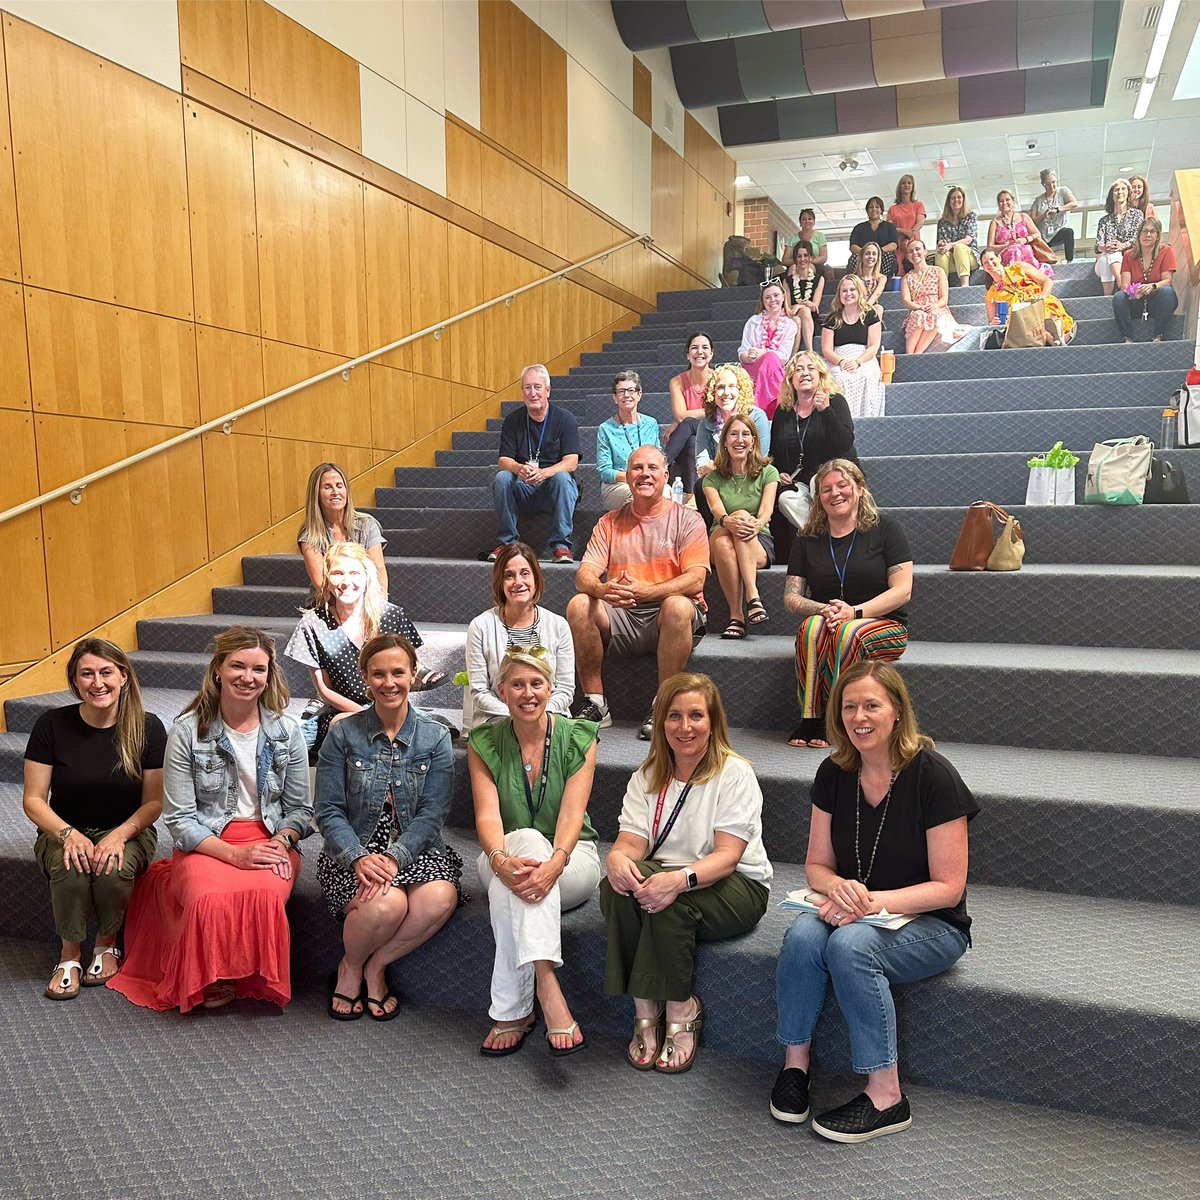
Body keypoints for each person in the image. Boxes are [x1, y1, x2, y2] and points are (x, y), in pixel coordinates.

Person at [771, 661, 978, 1142]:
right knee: (802, 936)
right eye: (848, 707)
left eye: (871, 705)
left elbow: (948, 887)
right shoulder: (834, 771)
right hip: (856, 912)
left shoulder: (934, 777)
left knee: (850, 947)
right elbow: (817, 867)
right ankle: (795, 1068)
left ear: (897, 711)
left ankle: (887, 1095)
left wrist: (866, 902)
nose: (859, 716)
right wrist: (838, 888)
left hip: (933, 924)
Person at [110, 627, 312, 1012]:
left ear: (269, 675)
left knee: (266, 897)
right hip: (207, 840)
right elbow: (180, 819)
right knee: (205, 898)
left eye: (258, 669)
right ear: (218, 669)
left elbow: (301, 810)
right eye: (237, 665)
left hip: (269, 838)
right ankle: (213, 974)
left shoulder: (287, 731)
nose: (247, 677)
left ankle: (244, 974)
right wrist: (235, 856)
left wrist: (281, 842)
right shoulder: (187, 731)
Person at [600, 672, 771, 1074]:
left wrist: (679, 880)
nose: (684, 726)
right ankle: (645, 1008)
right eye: (673, 716)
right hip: (667, 875)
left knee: (671, 904)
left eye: (696, 715)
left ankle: (680, 1006)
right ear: (660, 723)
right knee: (615, 889)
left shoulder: (735, 773)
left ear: (713, 723)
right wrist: (618, 861)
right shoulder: (647, 775)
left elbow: (728, 856)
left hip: (736, 884)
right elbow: (631, 844)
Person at [315, 633, 461, 1021]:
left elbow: (433, 814)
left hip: (415, 849)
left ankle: (373, 965)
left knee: (439, 899)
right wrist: (359, 857)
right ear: (365, 676)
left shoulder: (435, 735)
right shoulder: (342, 733)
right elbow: (327, 810)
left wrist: (395, 858)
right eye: (378, 674)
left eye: (398, 672)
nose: (389, 682)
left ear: (414, 674)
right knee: (388, 904)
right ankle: (350, 967)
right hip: (355, 849)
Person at [468, 647, 601, 1056]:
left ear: (550, 688)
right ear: (501, 691)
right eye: (517, 684)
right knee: (522, 839)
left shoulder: (579, 735)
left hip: (571, 858)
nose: (528, 693)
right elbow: (488, 820)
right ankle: (548, 984)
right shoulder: (483, 740)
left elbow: (571, 818)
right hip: (503, 858)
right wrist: (501, 860)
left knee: (525, 857)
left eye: (536, 684)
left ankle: (513, 1010)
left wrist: (554, 865)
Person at [22, 639, 165, 1000]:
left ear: (124, 677)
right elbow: (33, 800)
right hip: (63, 828)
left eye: (106, 672)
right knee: (70, 866)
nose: (97, 682)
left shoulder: (147, 727)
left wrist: (119, 835)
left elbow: (153, 803)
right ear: (75, 680)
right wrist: (67, 834)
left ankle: (106, 945)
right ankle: (69, 956)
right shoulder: (51, 725)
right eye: (87, 674)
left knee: (112, 867)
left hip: (129, 829)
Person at [566, 445, 709, 740]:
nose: (645, 474)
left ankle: (664, 704)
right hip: (622, 614)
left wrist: (647, 592)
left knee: (678, 606)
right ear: (627, 477)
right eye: (637, 468)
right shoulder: (608, 522)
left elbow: (695, 580)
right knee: (580, 604)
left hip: (668, 616)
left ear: (666, 476)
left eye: (652, 468)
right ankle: (595, 703)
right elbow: (584, 576)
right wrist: (603, 590)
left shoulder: (689, 520)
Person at [783, 460, 912, 748]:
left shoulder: (887, 529)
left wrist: (854, 612)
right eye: (826, 489)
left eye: (843, 485)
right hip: (830, 620)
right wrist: (822, 609)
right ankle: (809, 717)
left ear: (860, 489)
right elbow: (791, 597)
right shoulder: (807, 538)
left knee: (847, 632)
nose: (835, 493)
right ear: (819, 498)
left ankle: (836, 718)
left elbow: (902, 591)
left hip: (884, 625)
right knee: (811, 627)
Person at [286, 542, 443, 759]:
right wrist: (367, 715)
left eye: (354, 573)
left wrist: (384, 712)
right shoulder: (312, 623)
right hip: (343, 709)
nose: (346, 581)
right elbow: (324, 690)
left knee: (433, 735)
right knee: (341, 726)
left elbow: (407, 673)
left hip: (392, 704)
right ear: (326, 578)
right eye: (337, 573)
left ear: (367, 576)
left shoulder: (392, 615)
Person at [463, 541, 575, 731]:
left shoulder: (558, 625)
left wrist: (537, 714)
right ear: (500, 582)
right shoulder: (480, 626)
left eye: (525, 573)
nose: (518, 582)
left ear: (536, 578)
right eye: (509, 575)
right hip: (498, 718)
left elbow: (565, 689)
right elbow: (480, 692)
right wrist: (517, 714)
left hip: (548, 716)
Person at [491, 364, 580, 564]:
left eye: (538, 387)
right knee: (502, 477)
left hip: (553, 490)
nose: (533, 393)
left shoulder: (565, 419)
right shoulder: (513, 420)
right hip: (524, 488)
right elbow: (503, 460)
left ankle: (561, 545)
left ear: (548, 390)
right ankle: (507, 544)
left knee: (563, 477)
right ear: (522, 391)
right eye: (527, 387)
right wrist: (519, 468)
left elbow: (571, 462)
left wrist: (545, 472)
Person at [702, 416, 779, 638]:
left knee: (739, 527)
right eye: (733, 434)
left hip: (757, 538)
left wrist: (756, 524)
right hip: (720, 533)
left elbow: (766, 511)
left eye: (745, 434)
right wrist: (729, 520)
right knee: (728, 536)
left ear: (753, 441)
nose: (739, 440)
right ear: (724, 441)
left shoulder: (768, 472)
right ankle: (750, 600)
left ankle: (737, 617)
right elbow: (717, 511)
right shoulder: (712, 478)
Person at [770, 352, 856, 535]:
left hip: (834, 474)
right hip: (800, 480)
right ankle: (823, 536)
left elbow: (845, 443)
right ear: (791, 378)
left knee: (817, 481)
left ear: (820, 375)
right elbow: (774, 452)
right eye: (798, 369)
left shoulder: (835, 401)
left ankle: (834, 536)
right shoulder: (783, 411)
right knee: (785, 499)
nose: (805, 373)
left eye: (811, 368)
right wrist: (780, 472)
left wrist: (825, 411)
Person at [298, 462, 388, 602]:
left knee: (395, 616)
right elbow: (323, 585)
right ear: (316, 495)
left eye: (339, 486)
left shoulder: (367, 524)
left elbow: (379, 570)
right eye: (328, 487)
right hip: (328, 605)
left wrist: (379, 607)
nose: (335, 492)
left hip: (367, 600)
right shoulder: (310, 535)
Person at [596, 370, 662, 511]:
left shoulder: (651, 424)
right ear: (615, 397)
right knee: (638, 495)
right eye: (621, 391)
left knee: (668, 493)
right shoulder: (606, 429)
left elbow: (660, 460)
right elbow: (604, 471)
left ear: (639, 394)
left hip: (649, 480)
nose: (626, 395)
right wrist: (632, 478)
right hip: (618, 485)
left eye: (631, 390)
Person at [821, 276, 885, 420]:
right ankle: (842, 420)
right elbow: (827, 349)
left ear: (859, 291)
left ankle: (865, 418)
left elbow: (874, 345)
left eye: (852, 289)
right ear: (839, 294)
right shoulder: (832, 318)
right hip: (838, 358)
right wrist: (841, 362)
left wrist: (858, 362)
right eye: (844, 290)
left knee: (866, 375)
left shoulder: (871, 314)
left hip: (864, 357)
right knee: (839, 377)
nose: (848, 293)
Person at [663, 331, 714, 506]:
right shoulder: (677, 381)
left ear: (712, 354)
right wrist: (709, 410)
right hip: (689, 441)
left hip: (714, 434)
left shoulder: (719, 378)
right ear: (687, 354)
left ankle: (662, 464)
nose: (700, 352)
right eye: (694, 348)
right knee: (692, 439)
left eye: (705, 347)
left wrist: (682, 419)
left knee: (689, 424)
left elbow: (719, 412)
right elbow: (679, 415)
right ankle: (693, 499)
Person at [981, 251, 1075, 344]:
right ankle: (1056, 338)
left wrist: (1041, 298)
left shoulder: (1018, 267)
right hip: (1018, 316)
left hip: (1039, 301)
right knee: (1026, 321)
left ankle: (1054, 337)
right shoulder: (991, 294)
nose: (989, 263)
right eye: (985, 262)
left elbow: (1047, 281)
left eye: (991, 259)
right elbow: (992, 321)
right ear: (984, 268)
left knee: (1042, 314)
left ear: (999, 258)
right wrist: (994, 321)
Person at [738, 279, 798, 420]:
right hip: (752, 369)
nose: (772, 300)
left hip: (774, 369)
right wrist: (750, 356)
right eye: (767, 297)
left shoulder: (790, 325)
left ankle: (760, 411)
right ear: (763, 301)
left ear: (783, 296)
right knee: (768, 359)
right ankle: (779, 408)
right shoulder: (753, 321)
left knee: (770, 358)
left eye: (776, 295)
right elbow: (742, 351)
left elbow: (783, 356)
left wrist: (764, 353)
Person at [1114, 217, 1177, 343]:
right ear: (1139, 234)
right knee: (1119, 297)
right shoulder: (1128, 255)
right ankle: (1127, 338)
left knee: (1167, 292)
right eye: (1144, 231)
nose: (1147, 235)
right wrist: (1134, 292)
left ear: (1158, 236)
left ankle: (1158, 336)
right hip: (1136, 301)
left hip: (1157, 301)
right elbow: (1125, 285)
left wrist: (1152, 287)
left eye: (1152, 231)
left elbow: (1167, 280)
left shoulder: (1166, 251)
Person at [900, 240, 966, 355]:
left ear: (925, 252)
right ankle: (909, 353)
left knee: (934, 315)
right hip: (917, 308)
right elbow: (906, 300)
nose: (914, 253)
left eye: (917, 249)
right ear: (908, 256)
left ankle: (917, 353)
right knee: (919, 315)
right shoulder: (907, 278)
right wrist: (919, 307)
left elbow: (944, 298)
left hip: (937, 307)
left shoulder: (938, 271)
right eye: (910, 251)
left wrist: (933, 306)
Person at [1093, 179, 1143, 297]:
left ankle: (1108, 296)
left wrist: (1123, 246)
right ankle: (1122, 283)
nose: (1120, 192)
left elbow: (1138, 238)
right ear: (1112, 195)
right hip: (1103, 262)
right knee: (1108, 255)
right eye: (1116, 190)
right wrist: (1104, 248)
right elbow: (1097, 246)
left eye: (1123, 189)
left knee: (1110, 255)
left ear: (1128, 193)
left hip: (1128, 260)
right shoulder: (1104, 221)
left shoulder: (1137, 215)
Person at [986, 189, 1048, 274]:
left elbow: (1037, 234)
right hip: (1005, 255)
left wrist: (1026, 239)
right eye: (1001, 201)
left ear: (1013, 201)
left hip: (1026, 252)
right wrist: (1008, 245)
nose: (1004, 203)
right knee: (1013, 250)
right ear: (998, 205)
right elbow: (990, 247)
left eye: (1007, 200)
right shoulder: (995, 222)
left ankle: (1031, 275)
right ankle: (1014, 278)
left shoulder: (1024, 216)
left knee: (1023, 249)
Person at [783, 241, 825, 354]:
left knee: (805, 310)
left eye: (806, 255)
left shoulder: (819, 279)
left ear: (810, 257)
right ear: (795, 259)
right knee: (797, 319)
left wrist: (800, 305)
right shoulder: (787, 281)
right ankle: (801, 354)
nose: (802, 259)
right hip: (792, 317)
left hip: (811, 320)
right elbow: (788, 307)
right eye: (799, 256)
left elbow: (814, 306)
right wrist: (804, 304)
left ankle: (809, 351)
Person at [1028, 169, 1077, 264]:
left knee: (1068, 232)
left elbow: (1074, 203)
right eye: (1048, 184)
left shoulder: (1063, 191)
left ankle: (1069, 261)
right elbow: (1032, 221)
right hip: (1044, 236)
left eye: (1053, 182)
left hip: (1058, 231)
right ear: (1043, 184)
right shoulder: (1038, 200)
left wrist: (1058, 209)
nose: (1052, 186)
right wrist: (1044, 214)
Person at [934, 187, 979, 286]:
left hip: (969, 257)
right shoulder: (942, 222)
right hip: (951, 260)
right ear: (949, 201)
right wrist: (942, 245)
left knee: (959, 247)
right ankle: (942, 287)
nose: (956, 200)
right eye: (953, 198)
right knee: (940, 253)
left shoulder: (970, 216)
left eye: (959, 197)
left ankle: (964, 285)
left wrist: (951, 245)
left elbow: (968, 240)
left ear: (963, 199)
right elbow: (940, 240)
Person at [846, 198, 898, 280]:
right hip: (863, 259)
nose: (874, 209)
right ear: (867, 210)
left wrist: (878, 252)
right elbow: (853, 246)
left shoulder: (889, 227)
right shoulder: (859, 228)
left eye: (877, 207)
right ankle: (860, 281)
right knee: (853, 258)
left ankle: (879, 280)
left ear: (881, 210)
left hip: (883, 257)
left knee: (889, 257)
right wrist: (866, 254)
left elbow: (894, 245)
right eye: (871, 207)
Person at [887, 175, 926, 275]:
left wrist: (908, 239)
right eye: (903, 183)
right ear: (900, 187)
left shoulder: (918, 205)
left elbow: (920, 223)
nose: (906, 185)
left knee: (917, 272)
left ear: (913, 186)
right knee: (900, 274)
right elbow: (889, 228)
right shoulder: (892, 209)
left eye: (909, 183)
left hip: (914, 244)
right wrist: (903, 231)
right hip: (899, 247)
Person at [787, 208, 833, 287]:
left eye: (810, 219)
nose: (807, 221)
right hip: (796, 265)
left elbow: (824, 257)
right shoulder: (792, 238)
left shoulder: (820, 236)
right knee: (793, 269)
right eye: (804, 219)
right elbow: (785, 260)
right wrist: (799, 261)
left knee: (808, 269)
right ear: (800, 222)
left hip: (815, 266)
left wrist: (810, 260)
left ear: (814, 221)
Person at [856, 243, 888, 321]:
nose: (871, 256)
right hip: (856, 307)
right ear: (862, 257)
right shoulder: (854, 278)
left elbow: (876, 294)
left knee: (879, 308)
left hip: (871, 308)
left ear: (877, 258)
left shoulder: (882, 278)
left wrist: (865, 308)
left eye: (874, 254)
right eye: (867, 253)